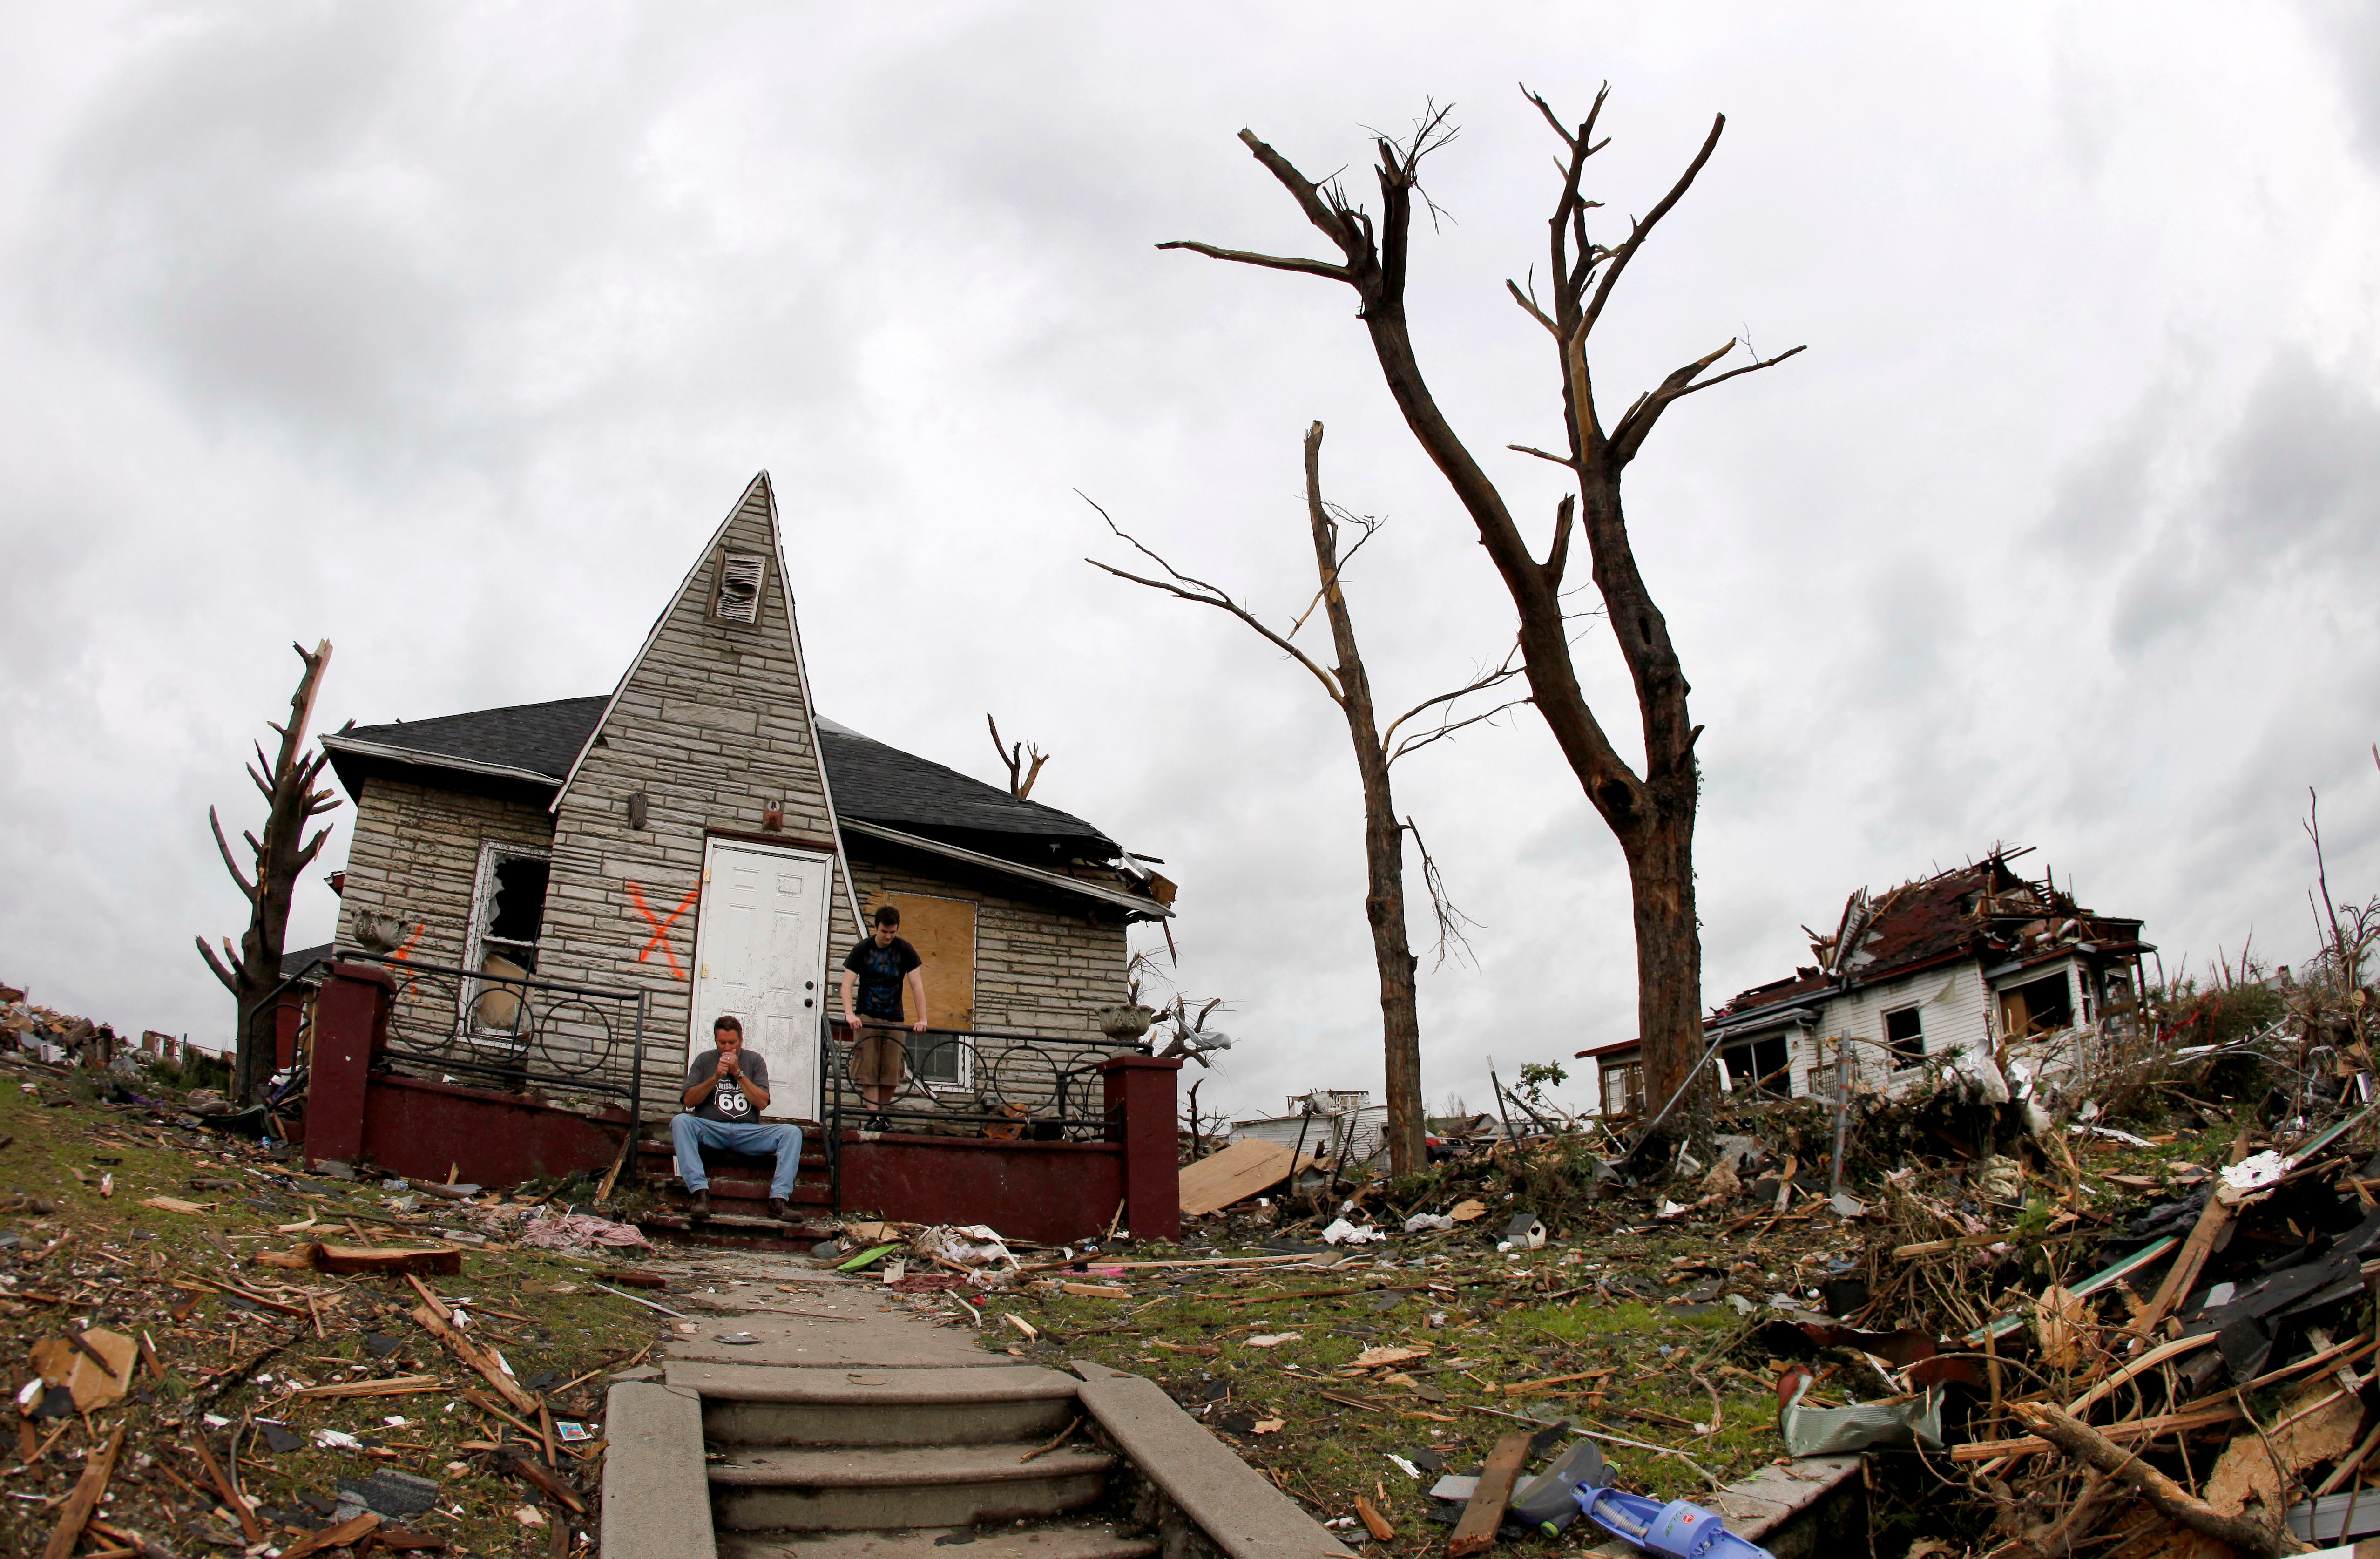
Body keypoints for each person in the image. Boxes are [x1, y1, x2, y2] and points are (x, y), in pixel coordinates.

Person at [672, 1015, 804, 1223]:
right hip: (712, 1129)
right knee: (681, 1122)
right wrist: (715, 1077)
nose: (727, 1048)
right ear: (715, 1041)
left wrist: (738, 1073)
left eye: (732, 1043)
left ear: (741, 1041)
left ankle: (779, 1200)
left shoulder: (754, 1061)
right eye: (722, 1043)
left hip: (747, 1132)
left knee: (792, 1133)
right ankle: (700, 1193)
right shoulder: (704, 1060)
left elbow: (761, 1103)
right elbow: (689, 1101)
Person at [840, 904, 928, 1129]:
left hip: (895, 1019)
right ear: (876, 928)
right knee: (868, 1068)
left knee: (891, 1070)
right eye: (884, 932)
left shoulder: (905, 949)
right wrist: (850, 1014)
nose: (888, 936)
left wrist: (922, 1018)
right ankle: (873, 1117)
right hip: (868, 1016)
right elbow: (846, 985)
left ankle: (883, 1116)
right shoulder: (862, 949)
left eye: (893, 932)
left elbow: (917, 985)